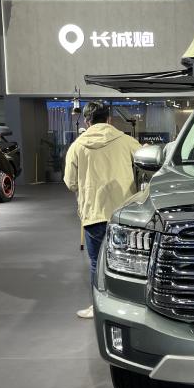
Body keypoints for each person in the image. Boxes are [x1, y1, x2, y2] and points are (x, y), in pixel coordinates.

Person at [64, 102, 142, 319]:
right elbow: (147, 164)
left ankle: (97, 308)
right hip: (124, 214)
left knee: (97, 263)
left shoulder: (77, 146)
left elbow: (70, 183)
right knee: (128, 262)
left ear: (87, 121)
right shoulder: (126, 141)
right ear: (109, 119)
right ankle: (129, 308)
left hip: (94, 213)